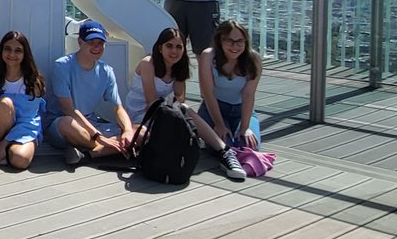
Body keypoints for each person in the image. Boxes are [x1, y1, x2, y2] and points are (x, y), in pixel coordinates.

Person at [126, 27, 246, 180]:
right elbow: (151, 102)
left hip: (162, 112)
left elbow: (180, 98)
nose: (174, 51)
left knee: (184, 109)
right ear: (160, 48)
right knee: (155, 131)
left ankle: (225, 151)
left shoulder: (179, 67)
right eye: (169, 46)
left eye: (179, 47)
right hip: (141, 115)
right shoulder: (148, 63)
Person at [46, 19, 136, 164]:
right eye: (91, 42)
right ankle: (109, 148)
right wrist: (97, 136)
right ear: (80, 42)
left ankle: (90, 154)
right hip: (64, 125)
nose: (96, 47)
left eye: (100, 43)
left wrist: (127, 131)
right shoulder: (62, 66)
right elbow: (68, 109)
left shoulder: (106, 70)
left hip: (92, 123)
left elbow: (118, 107)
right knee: (66, 124)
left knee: (141, 131)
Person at [0, 30, 47, 171]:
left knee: (20, 160)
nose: (12, 54)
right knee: (4, 103)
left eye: (18, 50)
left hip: (25, 129)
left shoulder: (33, 81)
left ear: (25, 54)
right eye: (7, 49)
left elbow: (29, 120)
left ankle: (6, 147)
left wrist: (6, 143)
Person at [198, 20, 263, 151]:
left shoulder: (253, 59)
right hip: (215, 108)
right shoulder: (208, 56)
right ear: (220, 41)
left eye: (240, 41)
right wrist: (219, 124)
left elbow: (248, 94)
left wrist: (245, 128)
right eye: (229, 41)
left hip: (241, 111)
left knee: (248, 146)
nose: (235, 46)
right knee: (223, 146)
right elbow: (208, 93)